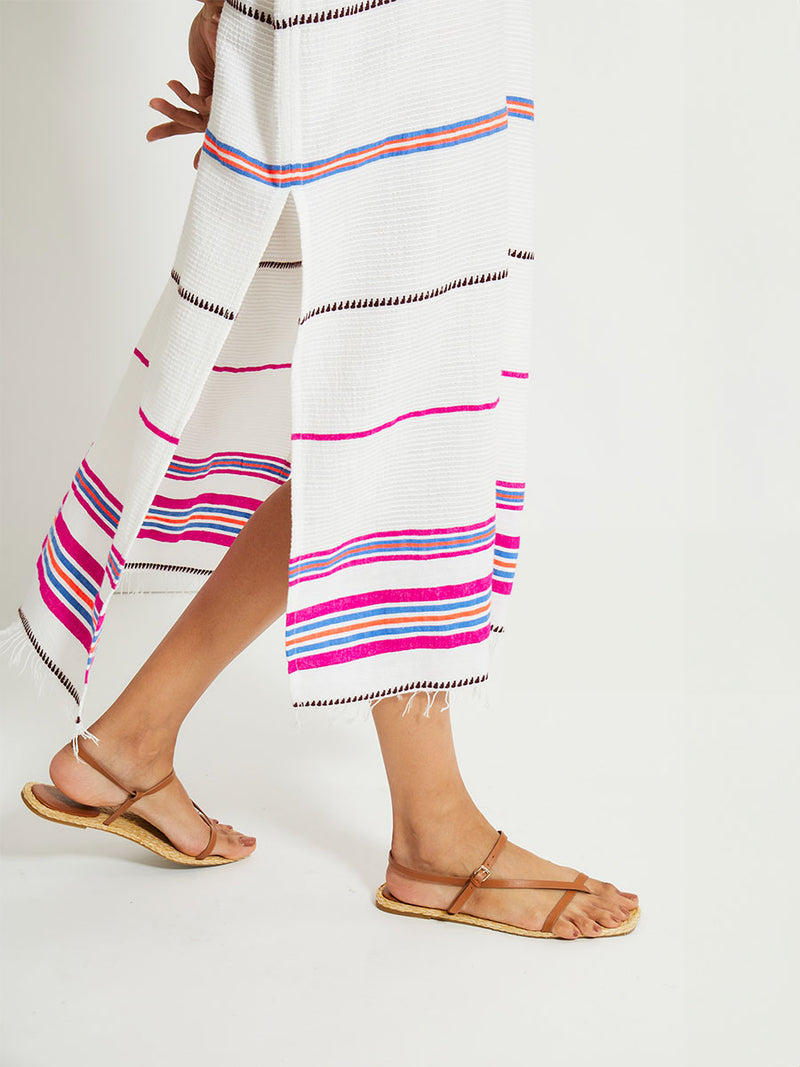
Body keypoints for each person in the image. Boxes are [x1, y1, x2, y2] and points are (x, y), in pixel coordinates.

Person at [7, 0, 639, 939]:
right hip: (402, 27)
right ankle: (435, 835)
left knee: (380, 397)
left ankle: (130, 742)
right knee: (408, 394)